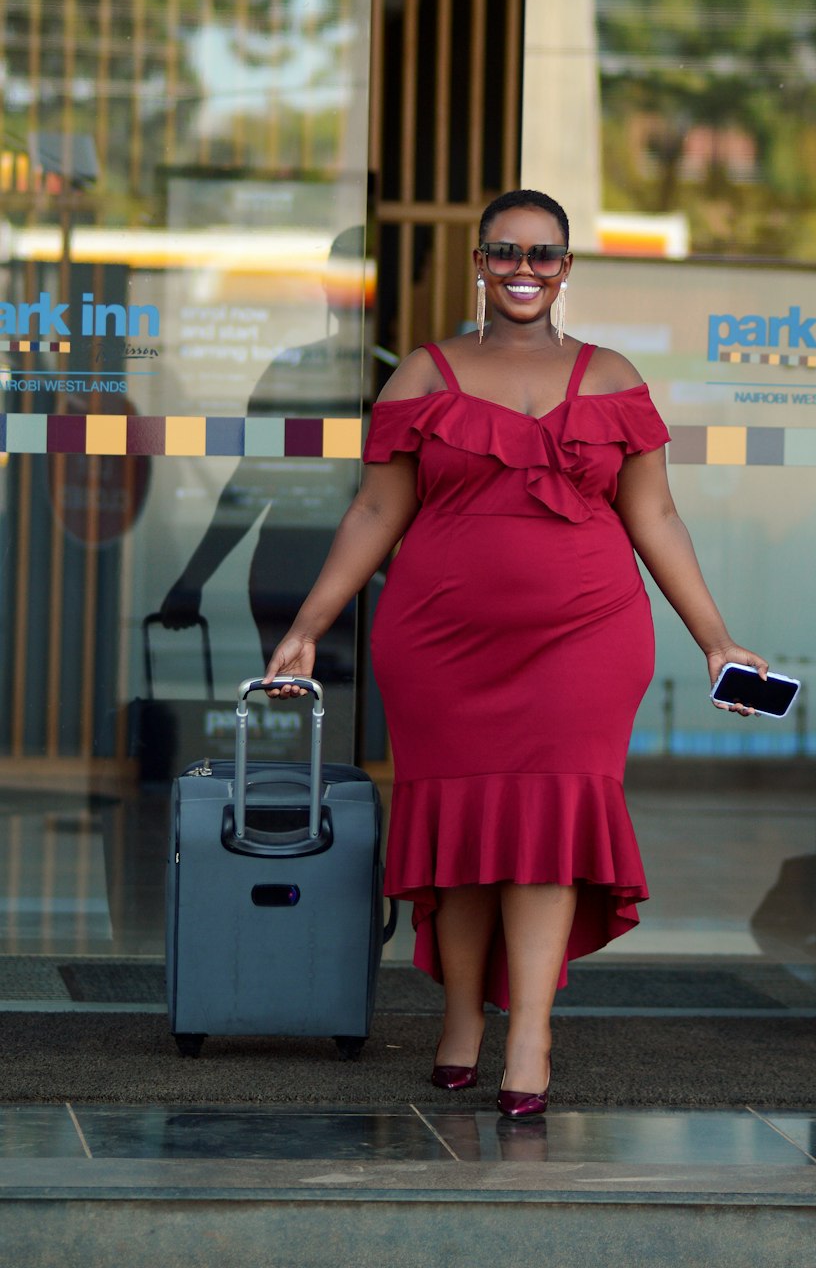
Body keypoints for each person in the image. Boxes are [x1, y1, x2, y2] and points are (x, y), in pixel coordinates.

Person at [262, 188, 767, 1118]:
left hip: (586, 639)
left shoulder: (612, 377)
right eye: (506, 254)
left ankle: (528, 1031)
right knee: (459, 833)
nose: (523, 271)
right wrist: (310, 624)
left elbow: (655, 515)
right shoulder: (424, 373)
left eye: (543, 256)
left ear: (567, 268)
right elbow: (377, 509)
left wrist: (715, 639)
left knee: (545, 834)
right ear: (480, 264)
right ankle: (461, 1016)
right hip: (441, 643)